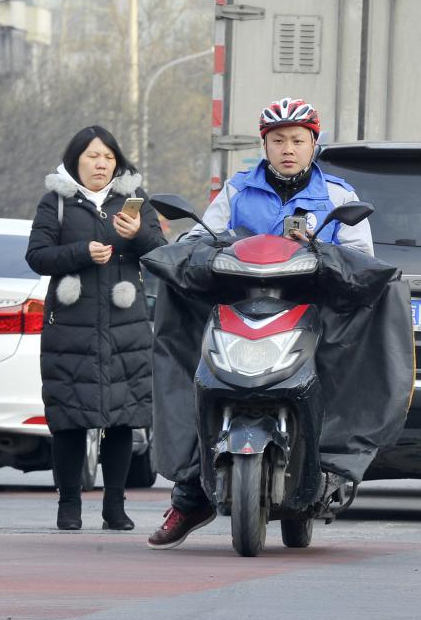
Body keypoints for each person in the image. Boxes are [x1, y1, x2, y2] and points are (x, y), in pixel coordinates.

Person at [147, 97, 373, 549]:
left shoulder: (338, 196)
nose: (288, 149)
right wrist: (214, 247)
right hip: (237, 310)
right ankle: (190, 494)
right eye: (277, 141)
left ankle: (332, 464)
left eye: (297, 140)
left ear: (314, 145)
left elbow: (362, 259)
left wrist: (315, 246)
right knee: (194, 372)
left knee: (347, 366)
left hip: (311, 315)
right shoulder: (236, 191)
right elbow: (198, 240)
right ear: (263, 145)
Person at [25, 125, 166, 531]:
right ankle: (68, 505)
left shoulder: (135, 202)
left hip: (126, 326)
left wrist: (137, 236)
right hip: (71, 327)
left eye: (107, 156)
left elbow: (162, 254)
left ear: (117, 161)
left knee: (123, 416)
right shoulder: (57, 203)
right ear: (75, 162)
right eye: (91, 156)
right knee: (69, 416)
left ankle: (115, 507)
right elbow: (36, 256)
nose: (100, 163)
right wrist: (79, 253)